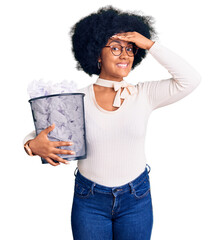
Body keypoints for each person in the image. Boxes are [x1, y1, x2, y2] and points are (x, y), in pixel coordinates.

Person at [23, 6, 201, 240]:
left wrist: (150, 45)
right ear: (97, 53)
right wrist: (31, 146)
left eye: (130, 48)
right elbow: (37, 135)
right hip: (90, 201)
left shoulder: (144, 94)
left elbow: (190, 79)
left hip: (136, 199)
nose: (125, 55)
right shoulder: (78, 100)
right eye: (115, 48)